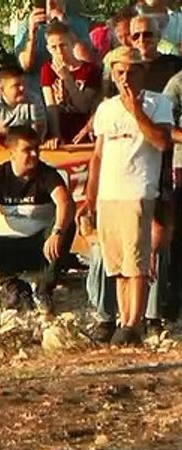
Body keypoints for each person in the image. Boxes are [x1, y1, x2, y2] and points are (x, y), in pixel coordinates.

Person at [81, 46, 174, 345]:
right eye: (120, 72)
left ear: (142, 72)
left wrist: (136, 110)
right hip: (109, 193)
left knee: (137, 260)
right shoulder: (105, 108)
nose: (125, 78)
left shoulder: (158, 103)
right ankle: (124, 319)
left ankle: (135, 322)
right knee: (118, 264)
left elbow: (162, 142)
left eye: (131, 72)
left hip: (139, 189)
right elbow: (98, 155)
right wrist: (91, 195)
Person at [0, 126, 76, 313]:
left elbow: (65, 202)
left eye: (36, 149)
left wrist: (57, 231)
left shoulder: (47, 174)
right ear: (12, 153)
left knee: (68, 225)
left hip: (40, 247)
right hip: (6, 247)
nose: (34, 154)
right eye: (27, 150)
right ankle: (13, 286)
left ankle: (44, 289)